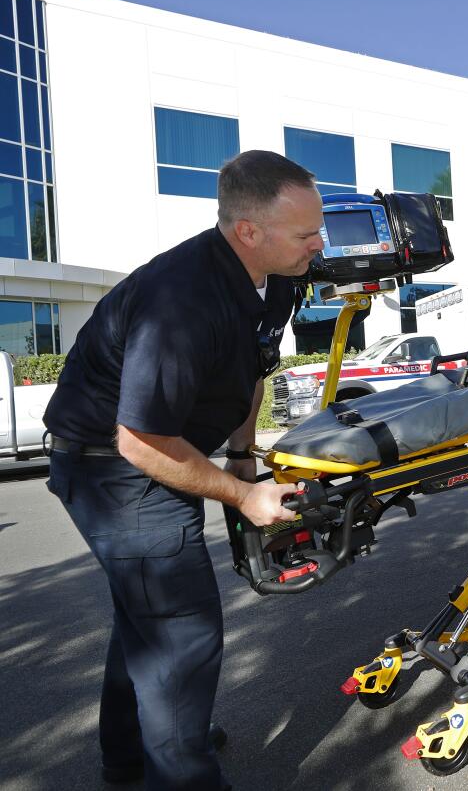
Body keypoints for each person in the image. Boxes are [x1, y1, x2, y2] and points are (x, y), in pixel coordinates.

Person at [43, 150, 327, 789]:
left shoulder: (277, 277)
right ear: (247, 231)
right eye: (306, 232)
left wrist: (244, 456)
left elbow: (254, 368)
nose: (320, 243)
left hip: (158, 449)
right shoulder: (181, 300)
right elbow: (140, 442)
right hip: (113, 470)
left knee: (145, 618)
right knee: (179, 635)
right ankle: (181, 765)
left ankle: (134, 753)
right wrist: (244, 498)